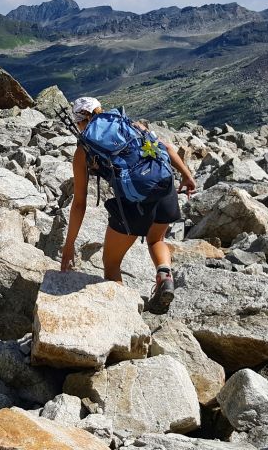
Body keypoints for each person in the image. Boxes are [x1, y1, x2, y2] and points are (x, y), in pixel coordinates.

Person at [60, 97, 196, 313]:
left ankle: (126, 316)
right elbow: (168, 148)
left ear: (80, 121)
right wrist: (187, 176)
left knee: (111, 263)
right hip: (163, 187)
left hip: (133, 205)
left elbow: (79, 204)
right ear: (100, 110)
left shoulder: (83, 150)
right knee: (156, 240)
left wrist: (69, 246)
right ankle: (164, 275)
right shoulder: (129, 124)